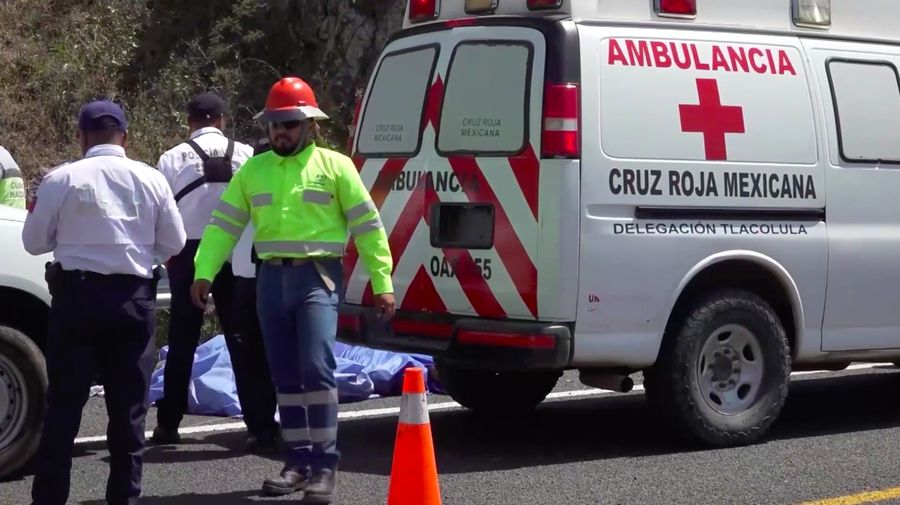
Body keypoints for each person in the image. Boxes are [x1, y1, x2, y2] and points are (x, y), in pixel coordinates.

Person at [189, 76, 395, 503]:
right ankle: (297, 462)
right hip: (270, 281)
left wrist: (382, 282)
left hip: (316, 279)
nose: (280, 132)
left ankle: (324, 466)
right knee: (283, 373)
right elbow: (223, 226)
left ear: (309, 125)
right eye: (275, 124)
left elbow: (368, 227)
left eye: (289, 123)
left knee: (316, 370)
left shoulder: (335, 167)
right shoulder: (253, 170)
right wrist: (203, 272)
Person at [22, 99, 187, 505]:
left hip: (77, 300)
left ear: (81, 137)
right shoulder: (151, 179)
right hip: (132, 302)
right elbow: (175, 243)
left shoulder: (61, 179)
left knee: (63, 412)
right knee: (129, 416)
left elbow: (33, 242)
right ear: (125, 137)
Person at [151, 91, 257, 446]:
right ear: (222, 120)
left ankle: (168, 424)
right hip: (236, 248)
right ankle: (259, 425)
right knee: (241, 339)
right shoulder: (245, 153)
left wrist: (169, 254)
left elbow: (162, 212)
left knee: (182, 339)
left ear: (189, 122)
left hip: (187, 251)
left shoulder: (171, 157)